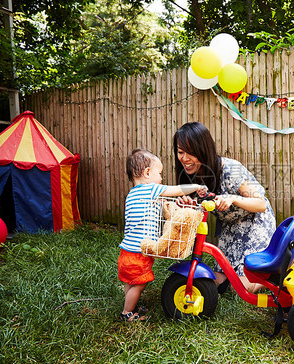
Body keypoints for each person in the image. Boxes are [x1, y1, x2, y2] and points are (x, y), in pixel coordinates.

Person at [174, 122, 276, 294]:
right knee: (217, 283)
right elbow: (199, 210)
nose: (184, 159)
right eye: (180, 152)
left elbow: (261, 204)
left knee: (240, 288)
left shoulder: (231, 169)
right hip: (230, 228)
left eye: (190, 152)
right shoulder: (191, 176)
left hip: (254, 223)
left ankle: (273, 274)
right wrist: (188, 205)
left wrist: (233, 198)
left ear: (203, 149)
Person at [118, 148, 206, 321]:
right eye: (160, 173)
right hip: (138, 252)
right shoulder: (150, 189)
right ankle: (127, 313)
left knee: (131, 282)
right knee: (140, 283)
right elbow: (178, 190)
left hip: (126, 251)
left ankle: (130, 305)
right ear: (147, 173)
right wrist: (196, 187)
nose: (161, 178)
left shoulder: (133, 194)